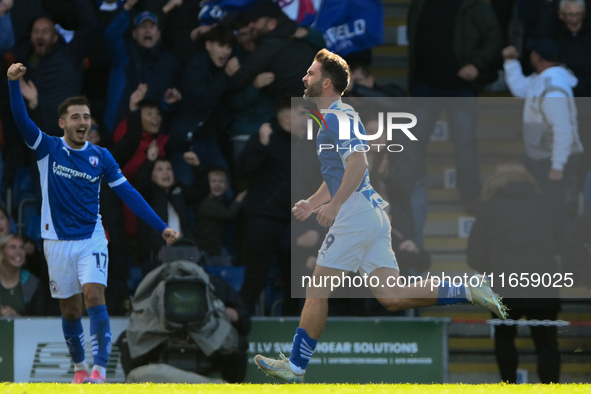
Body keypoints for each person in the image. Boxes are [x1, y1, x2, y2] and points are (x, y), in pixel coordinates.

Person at [254, 49, 508, 383]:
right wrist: (314, 202)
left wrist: (332, 207)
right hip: (369, 213)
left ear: (326, 82)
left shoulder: (335, 118)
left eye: (311, 73)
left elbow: (358, 165)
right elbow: (338, 175)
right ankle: (468, 289)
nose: (304, 77)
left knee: (317, 289)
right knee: (392, 297)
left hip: (355, 214)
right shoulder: (333, 117)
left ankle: (296, 366)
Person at [7, 62, 180, 384]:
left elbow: (128, 193)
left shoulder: (102, 156)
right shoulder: (47, 147)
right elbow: (20, 119)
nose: (82, 122)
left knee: (94, 296)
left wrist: (160, 226)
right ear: (62, 123)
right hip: (57, 242)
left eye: (86, 117)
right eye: (76, 117)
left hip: (91, 238)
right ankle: (80, 368)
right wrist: (13, 84)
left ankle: (99, 370)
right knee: (71, 312)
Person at [467, 163, 561, 384]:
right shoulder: (545, 204)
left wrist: (492, 272)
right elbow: (560, 241)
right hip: (543, 282)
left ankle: (509, 387)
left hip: (505, 284)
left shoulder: (489, 208)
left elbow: (474, 255)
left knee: (504, 336)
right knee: (547, 343)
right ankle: (552, 389)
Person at [502, 39, 583, 258]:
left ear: (537, 57)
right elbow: (521, 89)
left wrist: (557, 166)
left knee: (554, 211)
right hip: (542, 156)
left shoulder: (552, 88)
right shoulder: (543, 79)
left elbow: (563, 130)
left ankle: (568, 261)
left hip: (554, 159)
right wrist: (510, 62)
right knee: (547, 208)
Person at [194, 167, 246, 265]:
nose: (217, 184)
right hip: (206, 251)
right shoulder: (208, 204)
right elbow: (229, 214)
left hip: (215, 249)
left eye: (221, 181)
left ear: (226, 186)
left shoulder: (218, 202)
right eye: (213, 181)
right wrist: (239, 199)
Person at [0, 233, 49, 317]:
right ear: (2, 253)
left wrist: (16, 317)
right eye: (13, 247)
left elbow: (40, 322)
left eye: (22, 248)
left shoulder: (33, 282)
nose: (18, 252)